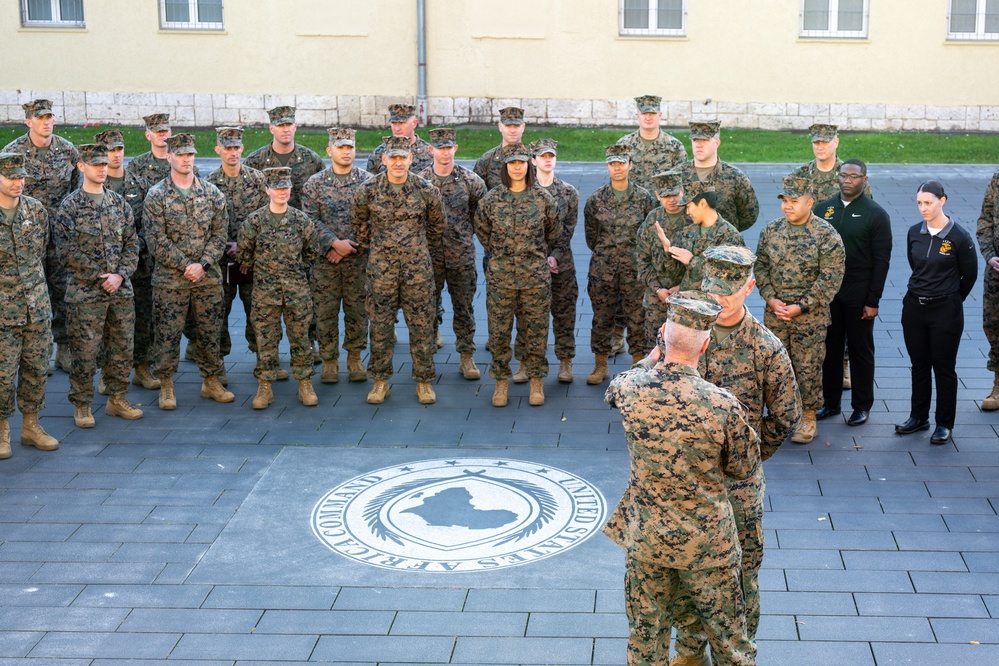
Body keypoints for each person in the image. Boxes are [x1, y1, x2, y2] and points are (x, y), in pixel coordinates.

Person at [604, 294, 759, 666]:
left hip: (647, 540)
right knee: (730, 645)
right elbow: (744, 465)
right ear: (705, 344)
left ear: (662, 335)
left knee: (646, 639)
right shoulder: (721, 404)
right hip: (707, 545)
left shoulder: (629, 390)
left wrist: (655, 355)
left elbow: (618, 384)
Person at [667, 248, 802, 666]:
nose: (720, 300)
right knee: (685, 569)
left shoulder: (766, 348)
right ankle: (690, 651)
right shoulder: (684, 334)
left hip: (736, 489)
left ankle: (736, 653)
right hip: (686, 481)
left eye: (730, 291)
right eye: (713, 290)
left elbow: (784, 416)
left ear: (749, 286)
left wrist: (746, 461)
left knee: (740, 575)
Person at [352, 136, 445, 405]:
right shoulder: (367, 190)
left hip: (418, 270)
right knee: (380, 327)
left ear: (411, 159)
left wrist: (414, 248)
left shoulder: (426, 190)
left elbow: (437, 227)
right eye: (392, 157)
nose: (398, 162)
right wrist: (383, 248)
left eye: (402, 157)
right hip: (381, 271)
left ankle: (424, 381)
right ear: (383, 159)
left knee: (422, 328)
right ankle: (381, 381)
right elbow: (359, 225)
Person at [55, 143, 143, 429]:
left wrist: (119, 275)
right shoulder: (70, 206)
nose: (102, 169)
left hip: (120, 290)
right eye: (95, 165)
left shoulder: (119, 204)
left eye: (104, 164)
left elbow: (132, 242)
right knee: (85, 352)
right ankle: (82, 404)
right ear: (81, 167)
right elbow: (66, 251)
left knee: (121, 347)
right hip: (85, 294)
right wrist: (100, 276)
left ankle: (117, 398)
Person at [143, 133, 233, 410]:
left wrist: (203, 265)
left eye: (190, 155)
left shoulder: (212, 193)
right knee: (167, 334)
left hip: (207, 279)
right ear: (169, 157)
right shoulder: (157, 196)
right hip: (171, 280)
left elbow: (220, 236)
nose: (186, 160)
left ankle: (211, 380)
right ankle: (167, 384)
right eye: (180, 155)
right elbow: (156, 240)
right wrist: (187, 266)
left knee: (210, 332)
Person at [755, 176, 845, 444]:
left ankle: (808, 416)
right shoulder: (771, 231)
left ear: (810, 202)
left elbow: (831, 277)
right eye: (785, 201)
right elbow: (760, 267)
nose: (787, 206)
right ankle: (779, 416)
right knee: (774, 367)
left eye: (794, 201)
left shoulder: (826, 235)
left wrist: (801, 306)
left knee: (807, 368)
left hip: (809, 318)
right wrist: (771, 299)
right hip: (776, 314)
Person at [238, 167, 335, 409]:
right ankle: (265, 387)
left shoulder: (301, 220)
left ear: (291, 190)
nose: (282, 192)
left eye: (286, 187)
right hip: (265, 292)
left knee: (301, 338)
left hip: (297, 291)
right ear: (267, 190)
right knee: (266, 340)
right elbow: (244, 253)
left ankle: (305, 384)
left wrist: (293, 270)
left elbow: (312, 251)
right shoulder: (254, 221)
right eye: (277, 188)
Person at [474, 142, 560, 407]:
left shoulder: (543, 199)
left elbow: (553, 233)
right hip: (501, 278)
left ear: (528, 165)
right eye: (512, 163)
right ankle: (501, 383)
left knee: (536, 331)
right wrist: (502, 255)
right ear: (505, 166)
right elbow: (482, 231)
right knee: (499, 333)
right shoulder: (491, 200)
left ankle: (536, 380)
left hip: (535, 278)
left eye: (521, 162)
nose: (517, 167)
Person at [896, 181, 978, 444]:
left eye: (928, 203)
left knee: (944, 367)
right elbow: (915, 265)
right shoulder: (913, 233)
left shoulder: (960, 238)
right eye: (919, 203)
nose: (923, 208)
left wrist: (952, 298)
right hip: (914, 308)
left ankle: (944, 423)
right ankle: (918, 417)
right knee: (919, 365)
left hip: (945, 311)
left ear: (943, 201)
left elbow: (970, 275)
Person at [3, 99, 81, 373]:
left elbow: (76, 192)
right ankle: (37, 354)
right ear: (28, 121)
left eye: (50, 116)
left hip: (60, 238)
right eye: (41, 117)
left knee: (63, 293)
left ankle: (64, 349)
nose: (47, 121)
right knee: (32, 296)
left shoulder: (67, 151)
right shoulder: (13, 153)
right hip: (26, 238)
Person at [814, 159, 892, 427]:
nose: (847, 180)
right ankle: (831, 403)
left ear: (864, 180)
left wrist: (873, 300)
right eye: (843, 175)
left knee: (860, 350)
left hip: (859, 290)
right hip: (829, 291)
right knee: (830, 349)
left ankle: (861, 406)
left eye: (854, 176)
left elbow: (882, 261)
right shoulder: (822, 209)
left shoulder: (876, 214)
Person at [0, 153, 60, 459]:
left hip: (36, 307)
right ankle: (2, 429)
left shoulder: (36, 211)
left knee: (36, 369)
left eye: (21, 177)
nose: (18, 183)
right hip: (2, 313)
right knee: (2, 374)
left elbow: (44, 253)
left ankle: (31, 425)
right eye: (11, 177)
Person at [302, 127, 373, 385]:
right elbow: (309, 220)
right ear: (329, 150)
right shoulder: (315, 184)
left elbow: (371, 220)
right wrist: (332, 244)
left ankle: (354, 357)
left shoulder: (368, 181)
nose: (346, 152)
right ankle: (329, 360)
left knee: (357, 311)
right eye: (341, 147)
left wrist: (348, 247)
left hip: (358, 260)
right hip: (325, 262)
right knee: (325, 312)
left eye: (350, 147)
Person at [584, 144, 656, 384]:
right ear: (607, 166)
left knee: (638, 317)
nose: (617, 168)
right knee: (601, 317)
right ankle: (600, 365)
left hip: (635, 271)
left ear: (630, 165)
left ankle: (638, 364)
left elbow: (650, 236)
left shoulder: (644, 199)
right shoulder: (596, 200)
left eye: (621, 163)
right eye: (613, 164)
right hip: (603, 270)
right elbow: (591, 238)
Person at [418, 127, 486, 380]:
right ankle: (425, 360)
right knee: (426, 308)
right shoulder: (420, 181)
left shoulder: (472, 181)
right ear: (430, 150)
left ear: (455, 149)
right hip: (428, 256)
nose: (445, 153)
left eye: (449, 148)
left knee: (464, 308)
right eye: (440, 148)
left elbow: (483, 218)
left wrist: (469, 239)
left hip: (461, 256)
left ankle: (466, 357)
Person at [206, 126, 272, 384]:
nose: (233, 152)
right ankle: (218, 365)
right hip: (220, 261)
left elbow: (265, 218)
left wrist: (243, 248)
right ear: (218, 150)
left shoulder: (258, 180)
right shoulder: (209, 183)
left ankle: (264, 362)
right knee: (217, 313)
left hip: (251, 260)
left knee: (258, 311)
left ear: (242, 148)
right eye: (227, 148)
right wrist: (226, 246)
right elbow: (206, 223)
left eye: (237, 147)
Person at [94, 129, 158, 391]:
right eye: (110, 150)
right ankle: (107, 373)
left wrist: (132, 256)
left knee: (144, 320)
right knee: (108, 325)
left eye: (119, 149)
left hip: (139, 266)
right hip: (106, 271)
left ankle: (142, 367)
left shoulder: (139, 185)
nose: (115, 155)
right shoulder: (94, 187)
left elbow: (148, 226)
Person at [518, 138, 579, 384]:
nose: (547, 160)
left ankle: (565, 361)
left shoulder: (568, 192)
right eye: (542, 156)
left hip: (561, 264)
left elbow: (568, 232)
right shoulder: (522, 191)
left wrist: (554, 256)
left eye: (551, 156)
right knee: (526, 315)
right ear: (533, 161)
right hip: (529, 264)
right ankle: (525, 361)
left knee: (564, 312)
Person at [659, 181, 745, 292]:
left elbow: (728, 276)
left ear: (703, 204)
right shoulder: (688, 232)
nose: (687, 212)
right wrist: (668, 251)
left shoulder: (729, 236)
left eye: (689, 207)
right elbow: (677, 273)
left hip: (713, 305)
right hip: (688, 302)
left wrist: (692, 260)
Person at [675, 120, 759, 232]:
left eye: (705, 140)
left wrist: (726, 232)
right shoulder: (677, 175)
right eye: (695, 140)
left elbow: (749, 215)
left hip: (723, 245)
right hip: (685, 244)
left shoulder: (735, 177)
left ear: (717, 143)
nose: (699, 145)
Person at [636, 170, 687, 343]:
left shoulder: (693, 218)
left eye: (675, 194)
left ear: (683, 191)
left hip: (687, 297)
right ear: (657, 195)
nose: (672, 200)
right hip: (656, 299)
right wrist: (658, 290)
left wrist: (682, 286)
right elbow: (642, 260)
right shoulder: (652, 219)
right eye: (666, 196)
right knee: (654, 347)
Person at [243, 106, 324, 210]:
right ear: (271, 128)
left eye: (289, 125)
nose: (286, 130)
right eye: (280, 125)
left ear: (295, 127)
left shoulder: (312, 160)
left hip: (302, 223)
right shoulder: (255, 161)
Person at [615, 94, 687, 192]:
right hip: (633, 205)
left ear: (660, 115)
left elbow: (682, 182)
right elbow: (617, 180)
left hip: (664, 204)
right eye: (644, 114)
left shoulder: (675, 146)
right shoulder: (623, 145)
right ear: (638, 116)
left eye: (652, 113)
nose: (648, 118)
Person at [788, 123, 872, 202]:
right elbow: (791, 208)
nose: (820, 148)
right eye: (816, 143)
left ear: (836, 142)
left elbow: (867, 210)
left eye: (825, 142)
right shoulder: (799, 174)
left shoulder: (853, 176)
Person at [976, 169, 999, 410]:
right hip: (997, 271)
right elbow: (985, 220)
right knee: (994, 324)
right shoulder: (998, 179)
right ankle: (998, 384)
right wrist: (990, 256)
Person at [365, 104, 434, 175]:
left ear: (414, 123)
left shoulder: (429, 153)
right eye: (393, 123)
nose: (397, 129)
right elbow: (370, 182)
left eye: (402, 123)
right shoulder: (379, 153)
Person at [474, 106, 527, 191]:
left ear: (523, 127)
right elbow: (476, 193)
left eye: (516, 126)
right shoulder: (487, 160)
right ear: (500, 127)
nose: (512, 130)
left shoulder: (533, 159)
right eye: (508, 126)